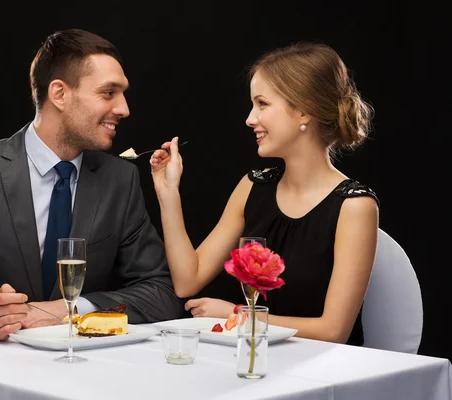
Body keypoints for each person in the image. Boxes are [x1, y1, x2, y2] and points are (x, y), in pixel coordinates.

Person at [0, 28, 183, 343]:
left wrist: (69, 311)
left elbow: (160, 292)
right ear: (59, 94)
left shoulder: (120, 179)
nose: (124, 109)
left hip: (82, 373)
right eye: (109, 93)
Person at [150, 42, 379, 345]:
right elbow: (187, 281)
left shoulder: (355, 206)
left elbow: (333, 331)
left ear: (304, 110)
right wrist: (169, 195)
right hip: (255, 360)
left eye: (262, 104)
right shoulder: (253, 186)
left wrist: (238, 314)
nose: (249, 118)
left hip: (323, 372)